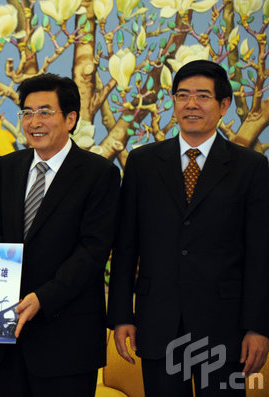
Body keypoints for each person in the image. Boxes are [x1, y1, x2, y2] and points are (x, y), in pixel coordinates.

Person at [107, 60, 269, 396]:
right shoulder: (144, 162)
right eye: (182, 95)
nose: (191, 104)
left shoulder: (250, 168)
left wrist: (258, 326)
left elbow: (260, 253)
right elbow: (126, 246)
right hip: (159, 322)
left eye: (202, 96)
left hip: (225, 327)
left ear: (224, 105)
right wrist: (122, 315)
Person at [0, 73, 121, 396]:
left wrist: (42, 298)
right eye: (27, 113)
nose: (34, 122)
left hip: (67, 340)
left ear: (71, 118)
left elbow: (92, 252)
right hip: (11, 338)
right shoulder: (8, 167)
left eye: (45, 112)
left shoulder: (99, 174)